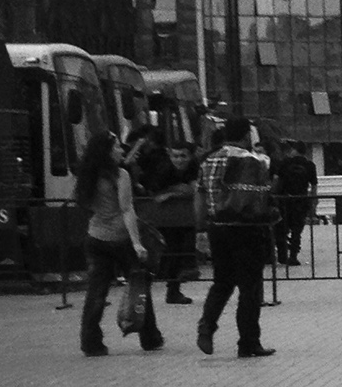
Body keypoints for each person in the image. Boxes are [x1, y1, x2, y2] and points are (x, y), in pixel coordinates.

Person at [76, 129, 163, 355]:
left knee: (96, 292)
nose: (120, 149)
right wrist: (137, 243)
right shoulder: (120, 175)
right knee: (138, 286)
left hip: (95, 237)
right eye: (115, 146)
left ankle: (90, 341)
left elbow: (86, 205)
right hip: (121, 239)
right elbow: (126, 209)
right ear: (106, 151)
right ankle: (149, 336)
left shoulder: (86, 175)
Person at [195, 114, 275, 357]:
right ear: (246, 135)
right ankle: (248, 343)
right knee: (250, 288)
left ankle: (207, 325)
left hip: (217, 228)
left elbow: (198, 197)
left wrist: (200, 230)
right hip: (246, 229)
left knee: (222, 282)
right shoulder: (255, 161)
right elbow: (263, 195)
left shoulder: (207, 161)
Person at [122, 122, 195, 307]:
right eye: (175, 156)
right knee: (161, 253)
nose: (179, 160)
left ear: (190, 157)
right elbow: (154, 193)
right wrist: (178, 190)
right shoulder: (163, 169)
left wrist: (171, 193)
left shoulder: (194, 166)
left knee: (178, 252)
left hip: (183, 218)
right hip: (160, 217)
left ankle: (173, 290)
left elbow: (192, 189)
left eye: (183, 156)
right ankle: (148, 292)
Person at [271, 138, 319, 266]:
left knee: (281, 229)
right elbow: (314, 186)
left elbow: (277, 180)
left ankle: (282, 256)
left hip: (285, 200)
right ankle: (293, 256)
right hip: (301, 201)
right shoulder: (310, 165)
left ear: (295, 150)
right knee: (297, 230)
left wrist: (272, 195)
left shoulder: (284, 163)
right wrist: (313, 202)